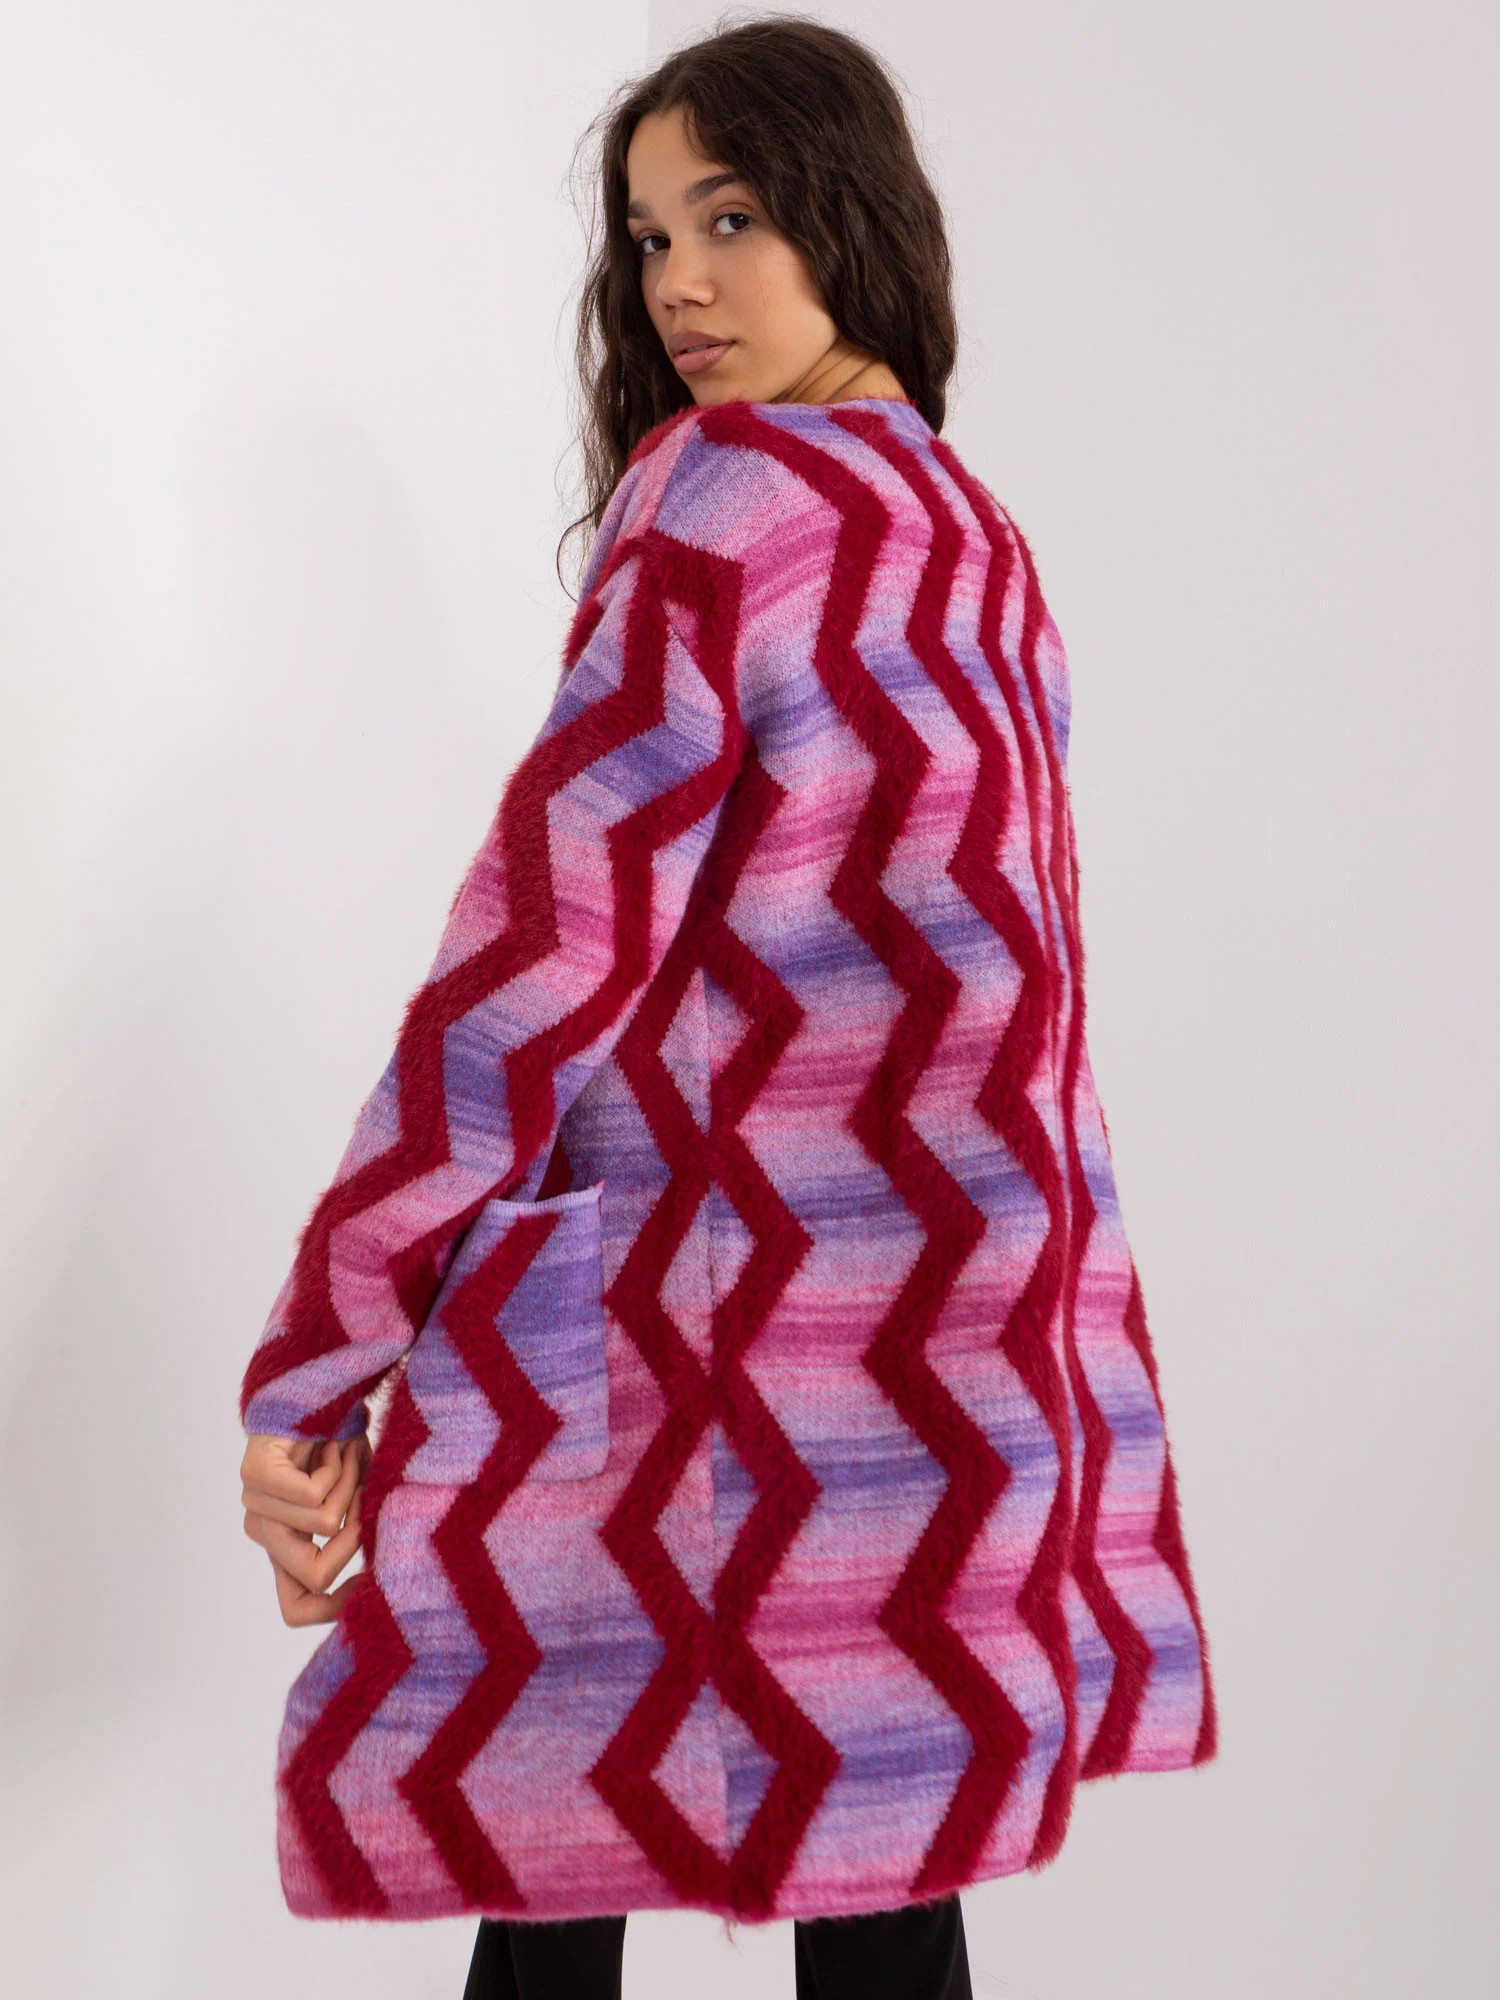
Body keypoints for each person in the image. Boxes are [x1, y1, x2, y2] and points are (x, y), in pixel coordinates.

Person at [237, 18, 1217, 1999]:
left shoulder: (718, 507)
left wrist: (325, 1340)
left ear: (850, 216)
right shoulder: (974, 540)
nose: (679, 283)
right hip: (938, 1390)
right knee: (885, 1913)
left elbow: (536, 957)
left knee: (547, 1882)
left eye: (733, 217)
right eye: (649, 235)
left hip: (681, 1358)